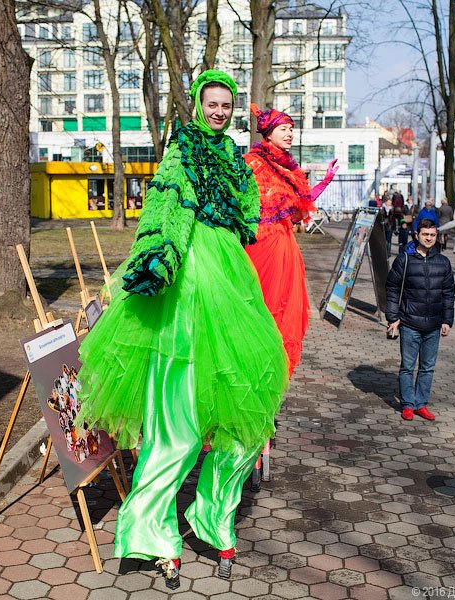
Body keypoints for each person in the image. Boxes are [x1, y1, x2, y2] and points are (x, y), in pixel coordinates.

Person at [75, 70, 288, 589]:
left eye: (225, 105)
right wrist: (155, 263)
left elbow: (247, 217)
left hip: (231, 285)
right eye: (211, 103)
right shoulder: (181, 152)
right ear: (197, 104)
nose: (218, 111)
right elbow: (165, 213)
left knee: (242, 426)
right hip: (184, 287)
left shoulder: (236, 159)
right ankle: (153, 533)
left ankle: (213, 518)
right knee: (176, 429)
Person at [244, 102, 338, 376]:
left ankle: (272, 379)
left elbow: (300, 207)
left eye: (291, 129)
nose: (289, 134)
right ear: (268, 132)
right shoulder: (253, 163)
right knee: (262, 310)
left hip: (285, 248)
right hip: (261, 247)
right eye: (284, 129)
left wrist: (325, 181)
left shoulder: (288, 168)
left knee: (284, 315)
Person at [385, 219, 455, 421]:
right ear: (417, 235)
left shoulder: (443, 262)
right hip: (409, 323)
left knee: (427, 367)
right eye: (425, 234)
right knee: (407, 366)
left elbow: (448, 293)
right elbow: (392, 289)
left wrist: (447, 320)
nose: (429, 238)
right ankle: (407, 404)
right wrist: (393, 317)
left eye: (432, 235)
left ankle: (420, 403)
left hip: (434, 325)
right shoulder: (404, 260)